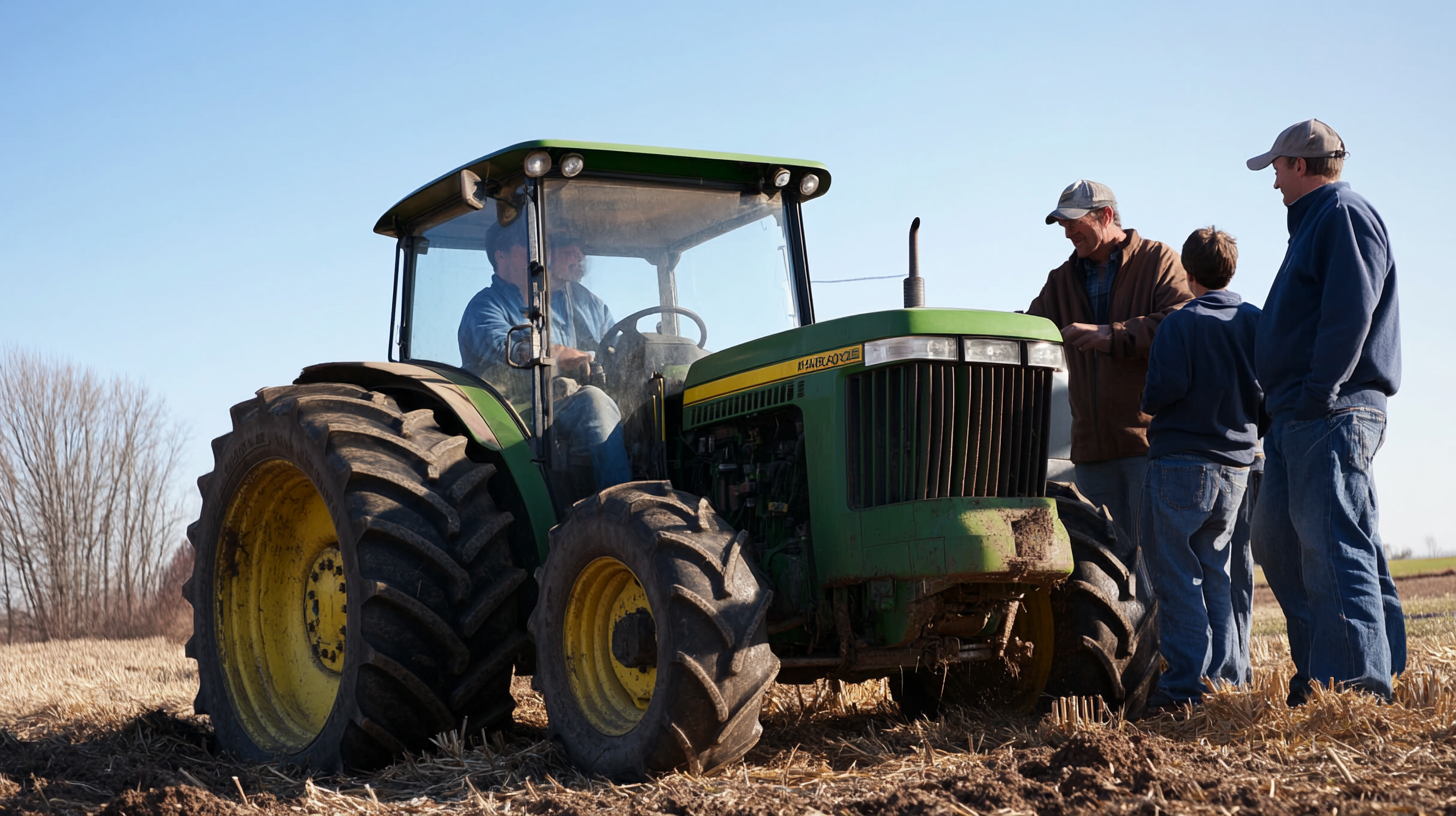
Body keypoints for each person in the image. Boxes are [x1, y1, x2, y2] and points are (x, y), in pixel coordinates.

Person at [1246, 119, 1404, 704]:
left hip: (1329, 411)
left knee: (1334, 545)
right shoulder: (1315, 222)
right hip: (1298, 414)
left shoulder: (1341, 213)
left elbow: (1349, 312)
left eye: (1277, 169)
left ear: (1300, 165)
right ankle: (1326, 676)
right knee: (1280, 542)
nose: (1274, 183)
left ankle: (1355, 691)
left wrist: (1318, 394)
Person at [1139, 227, 1263, 707]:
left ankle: (1184, 688)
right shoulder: (1254, 321)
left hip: (1181, 464)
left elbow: (1159, 393)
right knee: (1218, 574)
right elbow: (1267, 393)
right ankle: (1224, 684)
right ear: (1231, 269)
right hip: (1237, 468)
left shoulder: (1180, 324)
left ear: (1187, 273)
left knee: (1178, 578)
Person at [1027, 180, 1193, 534]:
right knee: (1100, 557)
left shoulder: (1158, 260)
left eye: (1074, 223)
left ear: (1105, 216)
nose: (1067, 233)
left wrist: (1113, 335)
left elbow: (1183, 322)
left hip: (1147, 446)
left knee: (1153, 555)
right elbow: (1030, 329)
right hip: (1090, 454)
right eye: (1063, 225)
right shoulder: (1060, 280)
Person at [457, 221, 631, 493]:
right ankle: (622, 502)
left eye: (543, 248)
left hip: (563, 404)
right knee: (593, 403)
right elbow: (508, 349)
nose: (541, 256)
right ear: (501, 256)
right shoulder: (485, 306)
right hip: (514, 415)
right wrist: (558, 354)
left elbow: (615, 347)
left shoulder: (582, 303)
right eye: (529, 248)